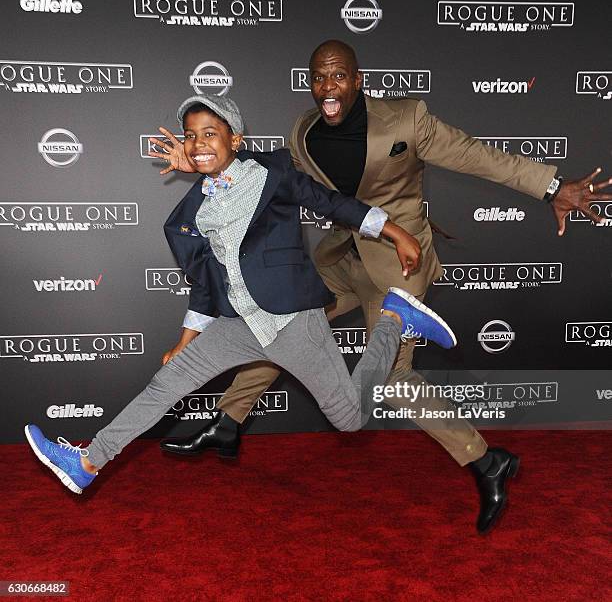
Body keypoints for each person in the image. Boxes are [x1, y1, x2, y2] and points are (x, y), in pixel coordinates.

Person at [151, 40, 611, 534]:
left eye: (338, 77)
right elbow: (269, 174)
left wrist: (552, 187)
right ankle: (228, 424)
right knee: (278, 321)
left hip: (399, 264)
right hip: (342, 257)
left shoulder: (407, 120)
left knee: (393, 379)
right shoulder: (304, 131)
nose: (327, 88)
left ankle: (486, 461)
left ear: (358, 78)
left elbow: (476, 156)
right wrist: (204, 158)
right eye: (318, 78)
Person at [24, 95, 458, 495]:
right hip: (238, 324)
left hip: (291, 321)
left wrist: (394, 229)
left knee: (348, 419)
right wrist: (185, 341)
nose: (198, 144)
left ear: (236, 138)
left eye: (210, 134)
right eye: (191, 136)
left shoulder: (274, 175)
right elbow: (206, 283)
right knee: (167, 384)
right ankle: (88, 461)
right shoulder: (192, 210)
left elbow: (331, 203)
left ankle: (394, 318)